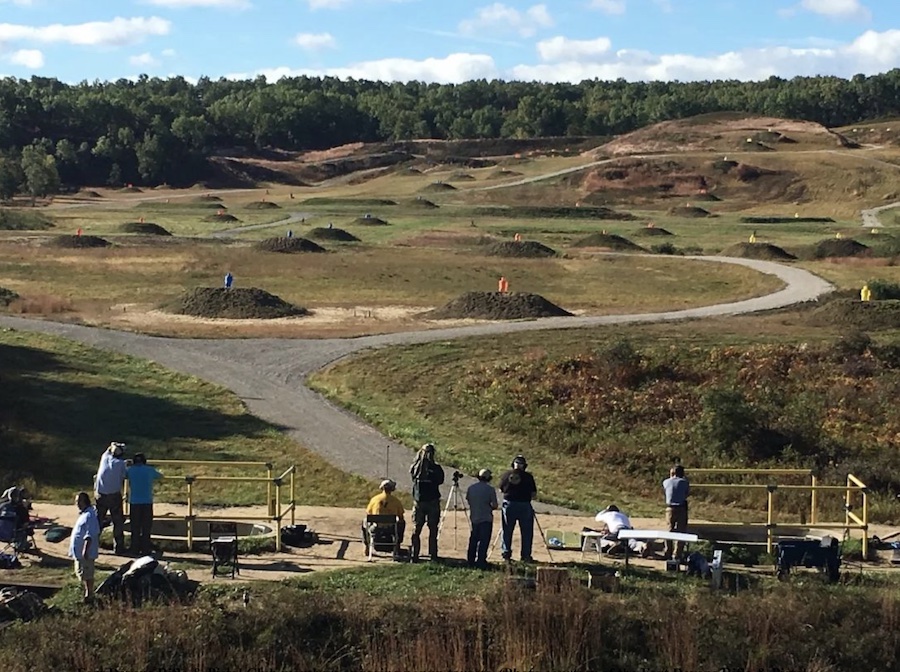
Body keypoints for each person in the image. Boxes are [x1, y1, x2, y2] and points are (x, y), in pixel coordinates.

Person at [408, 443, 444, 562]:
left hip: (419, 502)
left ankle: (415, 554)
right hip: (432, 501)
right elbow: (440, 480)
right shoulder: (435, 468)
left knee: (417, 528)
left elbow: (413, 475)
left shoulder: (415, 467)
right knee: (432, 529)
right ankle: (433, 554)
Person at [498, 455, 538, 562]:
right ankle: (525, 555)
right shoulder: (528, 477)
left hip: (509, 504)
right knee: (527, 532)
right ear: (524, 466)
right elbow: (533, 494)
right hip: (524, 505)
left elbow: (501, 490)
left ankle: (506, 553)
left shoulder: (506, 475)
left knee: (507, 530)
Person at [126, 453, 163, 556]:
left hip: (134, 502)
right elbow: (160, 476)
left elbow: (123, 474)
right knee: (146, 527)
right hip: (147, 502)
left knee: (135, 527)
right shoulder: (149, 470)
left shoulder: (130, 470)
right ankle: (146, 549)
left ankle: (134, 549)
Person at [95, 441, 128, 555]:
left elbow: (109, 449)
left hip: (100, 493)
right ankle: (119, 547)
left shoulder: (104, 457)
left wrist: (114, 445)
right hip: (113, 495)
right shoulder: (121, 464)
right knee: (117, 521)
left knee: (98, 520)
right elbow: (124, 476)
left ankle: (93, 545)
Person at [69, 492, 100, 602]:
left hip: (86, 552)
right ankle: (84, 593)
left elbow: (90, 535)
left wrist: (85, 550)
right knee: (81, 573)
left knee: (87, 574)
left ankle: (89, 594)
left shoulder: (90, 515)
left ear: (84, 501)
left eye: (78, 501)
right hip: (79, 553)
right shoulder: (84, 514)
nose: (76, 504)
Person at [466, 468, 498, 569]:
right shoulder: (490, 489)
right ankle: (481, 560)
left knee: (473, 539)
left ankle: (470, 559)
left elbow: (468, 499)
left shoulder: (471, 488)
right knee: (484, 540)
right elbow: (495, 505)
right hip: (486, 518)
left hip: (474, 517)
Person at [364, 479, 405, 556]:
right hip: (391, 528)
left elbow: (368, 513)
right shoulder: (396, 501)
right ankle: (397, 545)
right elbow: (401, 516)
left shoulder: (375, 499)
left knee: (364, 522)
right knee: (402, 523)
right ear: (392, 489)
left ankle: (366, 546)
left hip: (376, 528)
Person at [663, 465, 690, 560]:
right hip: (681, 508)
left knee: (669, 530)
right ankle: (677, 554)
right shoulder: (684, 482)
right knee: (681, 531)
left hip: (670, 508)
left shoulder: (666, 482)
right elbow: (686, 493)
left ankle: (667, 551)